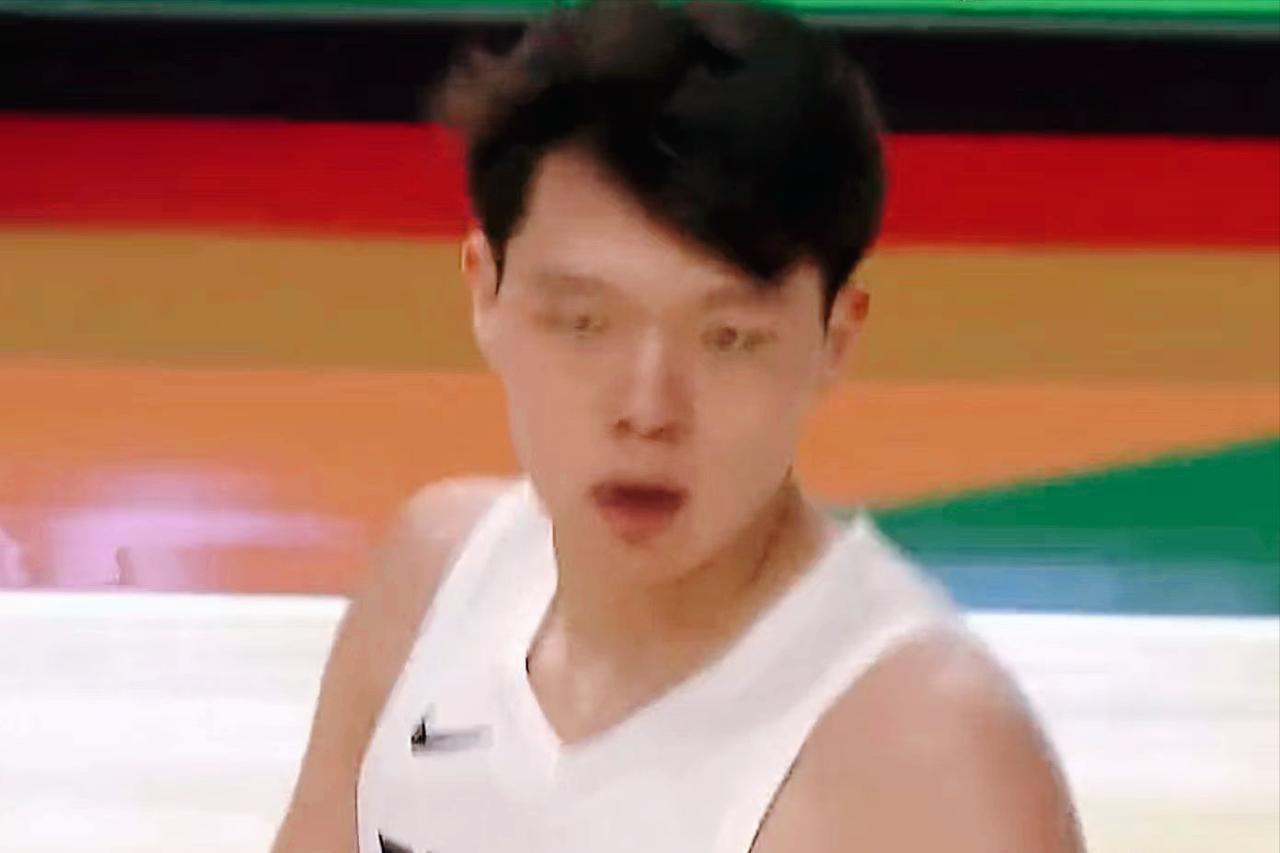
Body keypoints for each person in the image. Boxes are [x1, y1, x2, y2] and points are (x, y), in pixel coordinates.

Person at [273, 1, 1084, 850]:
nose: (648, 410)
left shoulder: (932, 761)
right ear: (486, 293)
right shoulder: (433, 581)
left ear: (834, 337)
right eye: (584, 323)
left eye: (727, 337)